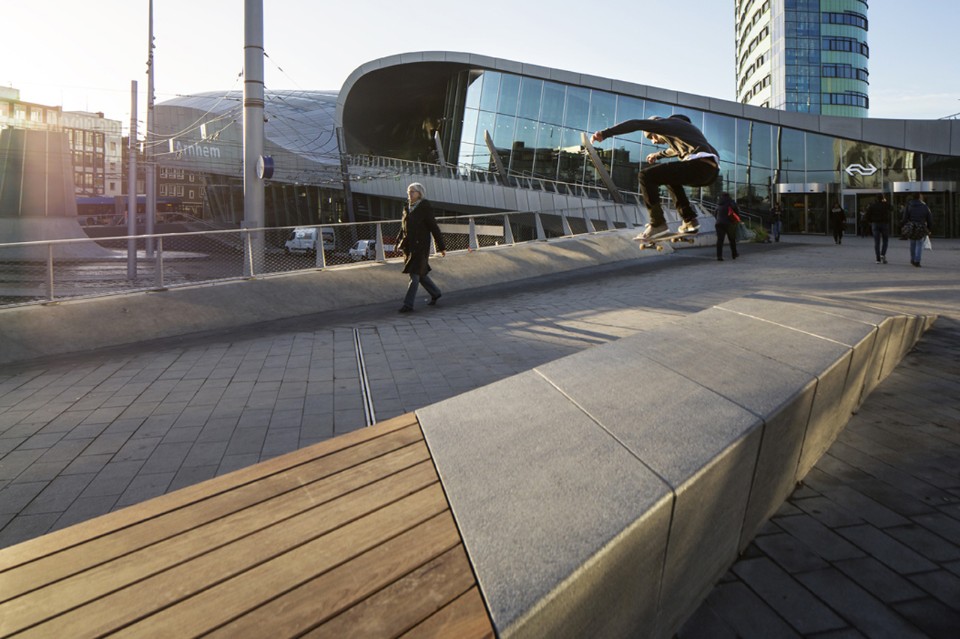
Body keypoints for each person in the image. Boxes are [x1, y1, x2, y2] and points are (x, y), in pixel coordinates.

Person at [591, 114, 719, 240]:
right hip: (710, 172)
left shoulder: (666, 124)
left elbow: (636, 123)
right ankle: (689, 220)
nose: (654, 141)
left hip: (698, 165)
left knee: (645, 175)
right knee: (669, 177)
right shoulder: (689, 131)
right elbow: (673, 150)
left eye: (652, 136)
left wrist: (605, 133)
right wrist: (657, 155)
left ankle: (657, 223)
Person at [396, 183, 446, 312]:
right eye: (409, 191)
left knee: (414, 275)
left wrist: (441, 246)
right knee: (420, 273)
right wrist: (398, 242)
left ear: (419, 193)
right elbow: (403, 227)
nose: (410, 194)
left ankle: (408, 305)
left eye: (413, 191)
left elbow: (434, 227)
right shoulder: (407, 207)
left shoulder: (425, 207)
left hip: (421, 246)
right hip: (409, 246)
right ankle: (435, 293)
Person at [900, 193, 933, 268]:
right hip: (921, 226)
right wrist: (929, 229)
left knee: (912, 243)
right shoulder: (924, 206)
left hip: (911, 226)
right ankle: (917, 261)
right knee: (919, 244)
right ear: (919, 197)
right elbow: (929, 218)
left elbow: (905, 217)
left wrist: (903, 226)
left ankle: (912, 259)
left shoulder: (909, 205)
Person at [865, 194, 892, 264]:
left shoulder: (872, 206)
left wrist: (870, 221)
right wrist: (885, 201)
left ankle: (878, 259)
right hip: (884, 224)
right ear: (882, 198)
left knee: (877, 242)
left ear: (876, 199)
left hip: (875, 224)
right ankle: (882, 254)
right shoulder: (885, 205)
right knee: (885, 240)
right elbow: (892, 208)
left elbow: (867, 215)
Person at [714, 192, 740, 261]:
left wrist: (718, 220)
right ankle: (734, 254)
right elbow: (737, 212)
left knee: (720, 240)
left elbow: (715, 213)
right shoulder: (731, 202)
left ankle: (719, 256)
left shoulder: (719, 203)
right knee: (732, 239)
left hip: (719, 223)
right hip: (729, 223)